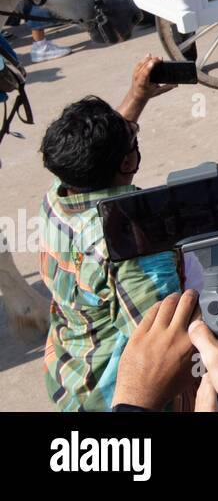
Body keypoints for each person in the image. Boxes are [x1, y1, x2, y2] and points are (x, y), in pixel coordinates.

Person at [37, 57, 187, 410]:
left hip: (69, 375)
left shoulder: (59, 195)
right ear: (128, 162)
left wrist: (137, 96)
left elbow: (96, 152)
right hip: (116, 396)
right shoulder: (131, 240)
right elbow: (168, 344)